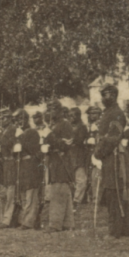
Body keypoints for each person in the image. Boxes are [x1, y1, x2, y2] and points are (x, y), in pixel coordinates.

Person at [93, 83, 129, 238]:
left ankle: (115, 231)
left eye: (106, 94)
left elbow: (111, 139)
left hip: (114, 157)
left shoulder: (116, 113)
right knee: (113, 193)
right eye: (102, 95)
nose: (103, 98)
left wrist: (97, 153)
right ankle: (123, 230)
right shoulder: (108, 112)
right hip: (109, 156)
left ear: (114, 95)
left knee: (114, 192)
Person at [44, 99, 74, 233]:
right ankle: (67, 223)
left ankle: (55, 224)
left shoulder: (65, 124)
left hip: (62, 161)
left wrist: (49, 136)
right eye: (48, 110)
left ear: (59, 111)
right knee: (64, 192)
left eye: (52, 110)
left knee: (58, 191)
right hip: (55, 161)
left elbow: (65, 145)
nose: (49, 113)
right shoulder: (54, 125)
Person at [70, 107, 89, 211]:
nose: (71, 118)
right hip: (70, 155)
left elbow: (79, 140)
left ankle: (76, 200)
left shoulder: (82, 127)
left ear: (78, 116)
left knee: (81, 179)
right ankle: (71, 200)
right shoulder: (69, 126)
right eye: (70, 115)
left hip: (79, 155)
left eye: (73, 115)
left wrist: (70, 139)